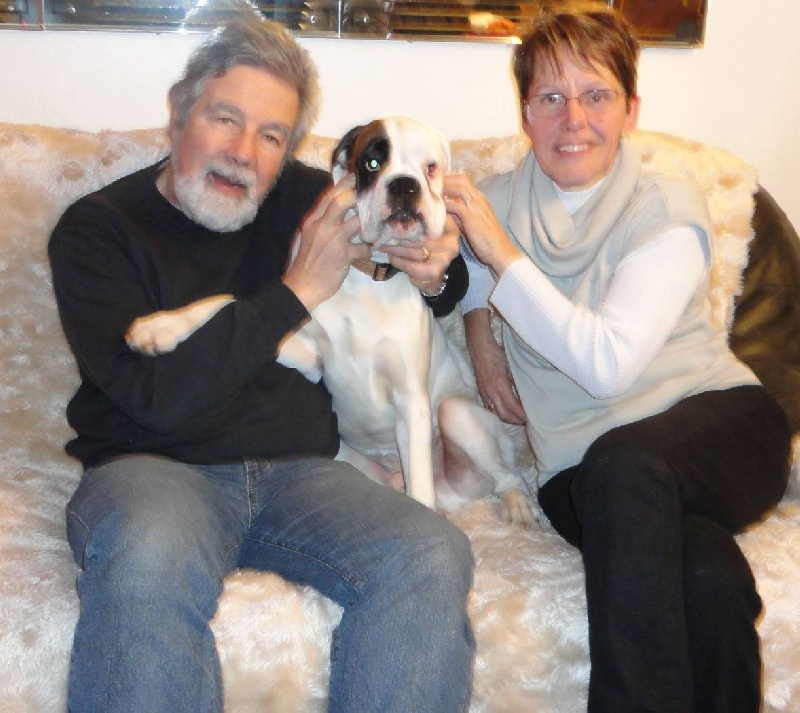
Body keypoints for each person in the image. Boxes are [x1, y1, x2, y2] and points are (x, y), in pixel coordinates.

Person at [48, 8, 475, 713]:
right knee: (146, 555)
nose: (244, 152)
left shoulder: (307, 200)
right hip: (156, 473)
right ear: (178, 114)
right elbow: (154, 398)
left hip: (305, 475)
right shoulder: (98, 230)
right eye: (225, 118)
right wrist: (296, 290)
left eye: (271, 135)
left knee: (432, 550)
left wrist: (437, 268)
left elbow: (428, 269)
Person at [444, 2, 791, 711]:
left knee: (624, 466)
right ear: (526, 113)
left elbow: (606, 366)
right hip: (581, 475)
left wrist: (500, 252)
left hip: (720, 429)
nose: (573, 118)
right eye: (550, 97)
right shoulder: (495, 201)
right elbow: (465, 275)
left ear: (631, 109)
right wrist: (481, 336)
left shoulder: (669, 204)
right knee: (708, 580)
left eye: (596, 95)